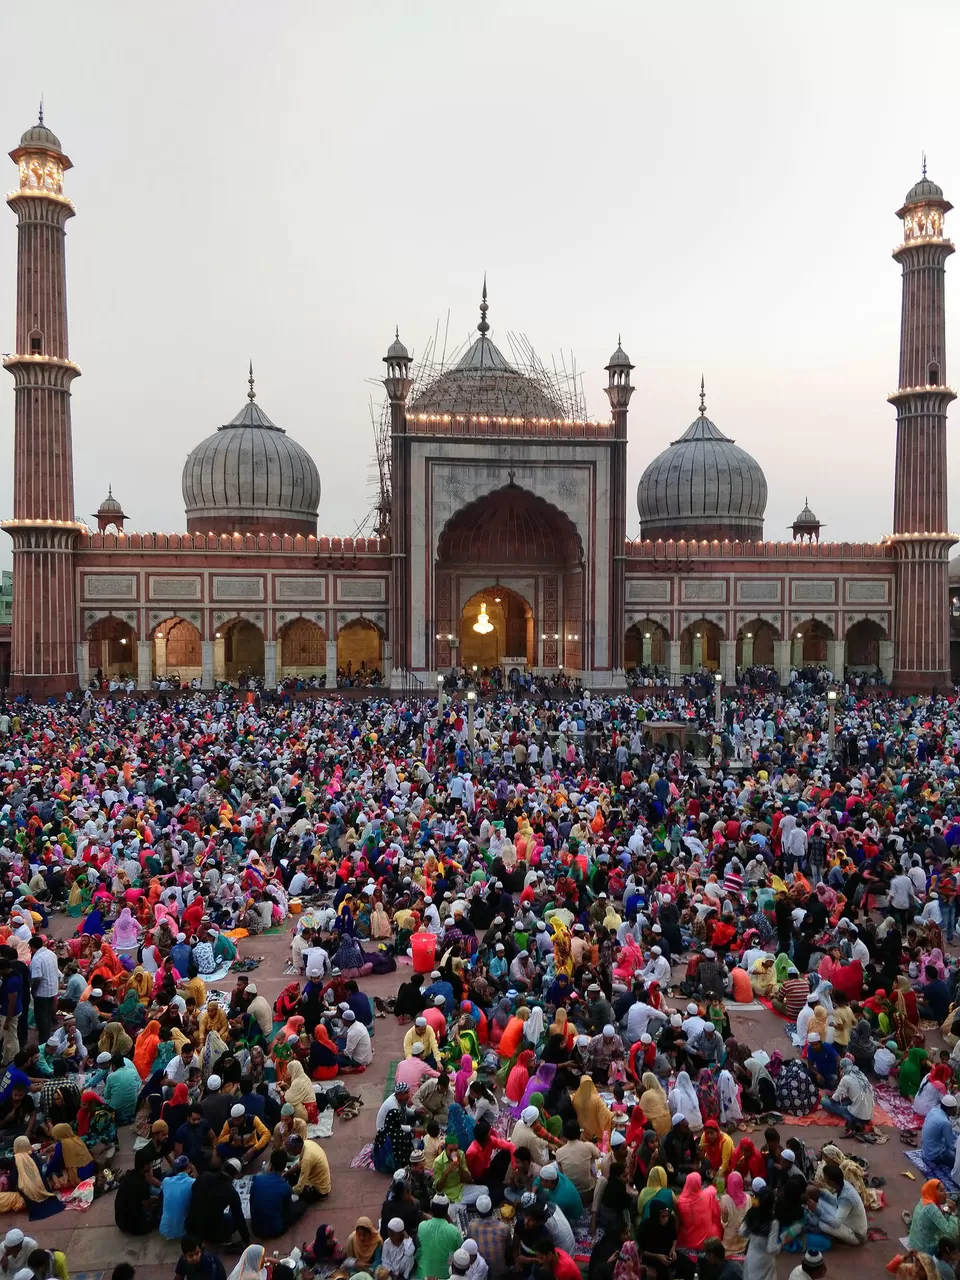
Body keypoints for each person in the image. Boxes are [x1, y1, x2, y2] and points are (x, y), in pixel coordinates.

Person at [185, 1159, 249, 1247]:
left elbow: (194, 1191)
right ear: (236, 1175)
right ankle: (220, 1239)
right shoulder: (231, 1192)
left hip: (191, 1227)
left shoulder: (204, 1176)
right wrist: (247, 1240)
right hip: (210, 1233)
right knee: (232, 1218)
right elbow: (239, 1218)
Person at [806, 1162, 868, 1246]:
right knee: (821, 1202)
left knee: (823, 1225)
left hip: (857, 1235)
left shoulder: (846, 1197)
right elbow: (836, 1202)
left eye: (826, 1178)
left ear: (831, 1181)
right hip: (847, 1221)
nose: (824, 1179)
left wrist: (816, 1210)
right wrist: (820, 1191)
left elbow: (836, 1223)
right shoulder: (843, 1184)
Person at [114, 1148, 160, 1235]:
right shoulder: (143, 1183)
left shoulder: (128, 1175)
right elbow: (147, 1204)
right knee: (160, 1218)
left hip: (120, 1220)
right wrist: (160, 1199)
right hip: (133, 1227)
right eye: (150, 1163)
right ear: (145, 1165)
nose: (152, 1166)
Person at [907, 1179, 960, 1254]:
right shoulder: (932, 1209)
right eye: (941, 1191)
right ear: (933, 1192)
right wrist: (954, 1212)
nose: (945, 1194)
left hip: (913, 1241)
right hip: (924, 1249)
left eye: (945, 1190)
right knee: (955, 1239)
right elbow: (952, 1233)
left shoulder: (924, 1199)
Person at [416, 1196, 463, 1280]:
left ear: (431, 1210)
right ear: (446, 1211)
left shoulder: (422, 1226)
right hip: (444, 1276)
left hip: (423, 1275)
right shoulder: (454, 1231)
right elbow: (460, 1249)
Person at [159, 1155, 195, 1240]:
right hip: (182, 1232)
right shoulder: (192, 1182)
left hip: (164, 1230)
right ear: (188, 1167)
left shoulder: (166, 1181)